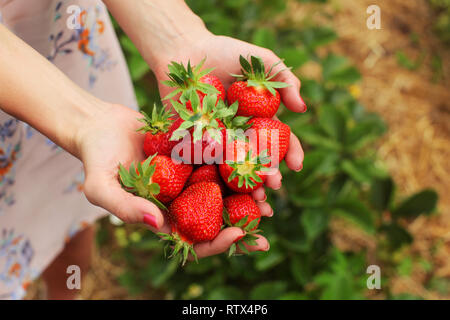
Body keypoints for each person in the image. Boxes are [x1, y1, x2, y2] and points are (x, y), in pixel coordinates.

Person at [0, 0, 306, 300]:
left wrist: (180, 40)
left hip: (62, 33)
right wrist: (85, 121)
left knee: (68, 209)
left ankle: (64, 294)